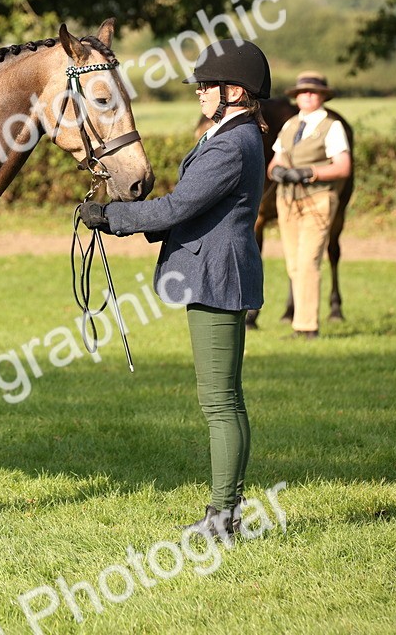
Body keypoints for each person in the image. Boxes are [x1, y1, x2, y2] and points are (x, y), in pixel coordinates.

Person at [81, 38, 268, 538]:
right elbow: (188, 207)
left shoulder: (231, 143)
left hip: (217, 275)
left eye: (208, 85)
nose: (200, 92)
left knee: (220, 402)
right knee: (226, 399)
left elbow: (177, 207)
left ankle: (223, 517)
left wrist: (111, 217)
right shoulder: (230, 135)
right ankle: (228, 513)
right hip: (218, 270)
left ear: (235, 91)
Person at [265, 72, 351, 339]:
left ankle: (306, 326)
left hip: (318, 199)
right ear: (296, 97)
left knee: (308, 262)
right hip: (287, 201)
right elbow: (275, 162)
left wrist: (309, 172)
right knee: (293, 263)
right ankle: (301, 322)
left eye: (313, 92)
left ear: (323, 96)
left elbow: (343, 167)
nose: (308, 96)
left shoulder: (332, 126)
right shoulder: (290, 125)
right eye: (303, 92)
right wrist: (278, 172)